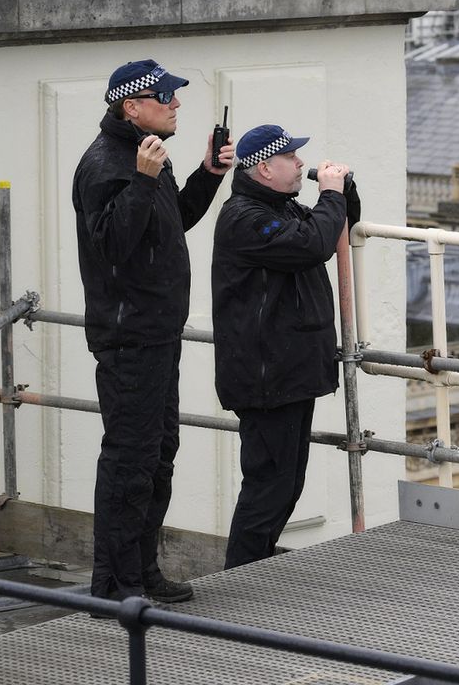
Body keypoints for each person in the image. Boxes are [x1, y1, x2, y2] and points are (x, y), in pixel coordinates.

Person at [73, 59, 233, 605]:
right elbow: (114, 245)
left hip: (156, 331)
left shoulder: (145, 155)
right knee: (130, 458)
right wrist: (143, 180)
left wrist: (209, 173)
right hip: (129, 336)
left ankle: (142, 571)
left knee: (158, 452)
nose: (176, 103)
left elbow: (171, 220)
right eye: (166, 96)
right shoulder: (106, 164)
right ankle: (117, 585)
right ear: (132, 106)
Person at [213, 125, 361, 569]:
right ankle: (239, 578)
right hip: (266, 375)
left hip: (286, 371)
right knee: (268, 487)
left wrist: (343, 190)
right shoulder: (246, 217)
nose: (300, 164)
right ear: (264, 168)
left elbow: (338, 225)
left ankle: (252, 572)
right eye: (291, 157)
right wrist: (330, 194)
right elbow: (313, 244)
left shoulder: (279, 207)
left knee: (286, 484)